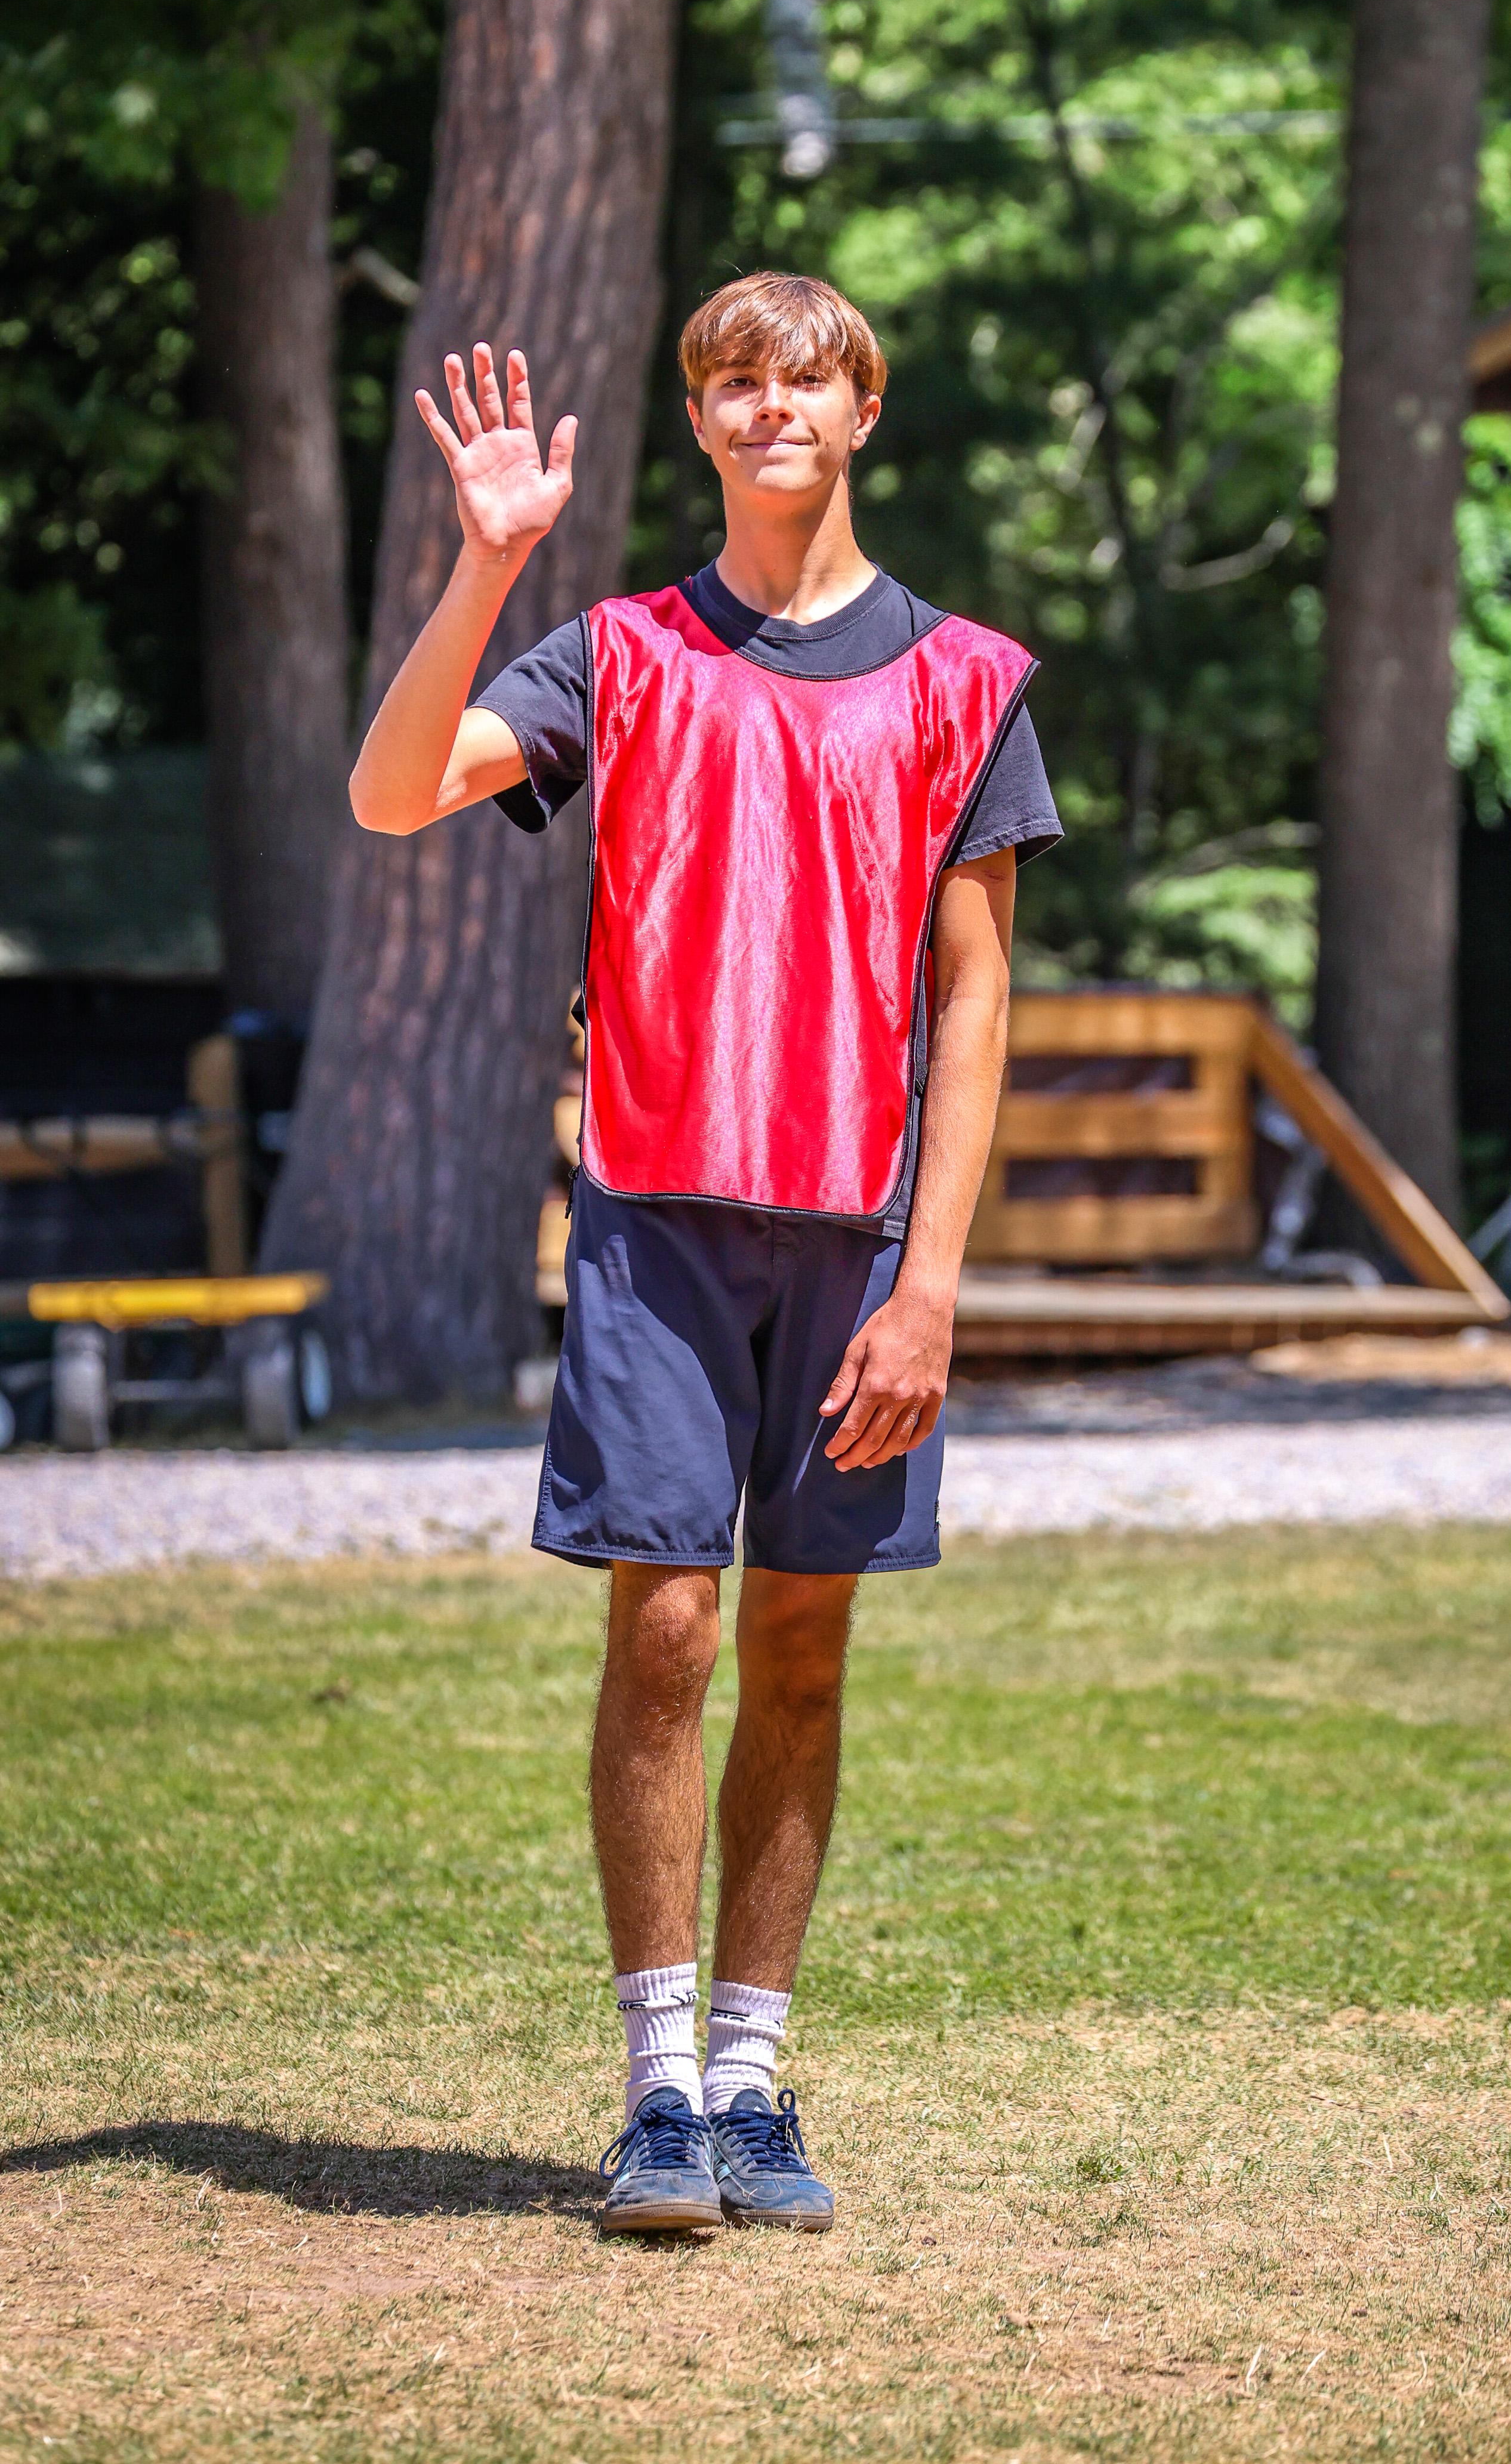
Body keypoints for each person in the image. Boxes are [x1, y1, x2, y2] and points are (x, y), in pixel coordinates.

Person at [349, 273, 1061, 2234]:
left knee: (804, 1648)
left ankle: (754, 2082)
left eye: (806, 378)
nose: (771, 407)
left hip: (863, 1240)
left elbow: (977, 1001)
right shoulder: (619, 653)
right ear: (700, 421)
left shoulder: (966, 679)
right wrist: (489, 564)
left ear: (864, 412)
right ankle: (658, 2088)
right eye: (734, 380)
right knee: (668, 1628)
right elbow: (392, 796)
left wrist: (933, 1282)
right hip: (657, 1218)